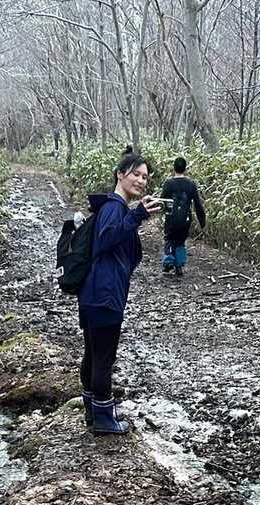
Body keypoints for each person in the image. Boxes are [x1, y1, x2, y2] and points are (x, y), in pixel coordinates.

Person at [78, 152, 162, 435]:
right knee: (103, 357)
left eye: (145, 177)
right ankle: (103, 418)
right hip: (104, 294)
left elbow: (126, 252)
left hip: (94, 292)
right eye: (136, 174)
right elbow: (107, 239)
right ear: (120, 174)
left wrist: (136, 216)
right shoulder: (114, 207)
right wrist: (137, 215)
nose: (141, 180)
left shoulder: (114, 208)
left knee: (93, 354)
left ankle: (92, 412)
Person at [159, 157, 207, 278]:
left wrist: (160, 214)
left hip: (171, 218)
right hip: (185, 219)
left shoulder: (168, 184)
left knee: (169, 238)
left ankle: (168, 261)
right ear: (185, 168)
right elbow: (197, 204)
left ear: (174, 168)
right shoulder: (190, 184)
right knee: (180, 241)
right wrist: (202, 221)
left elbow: (162, 201)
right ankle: (179, 265)